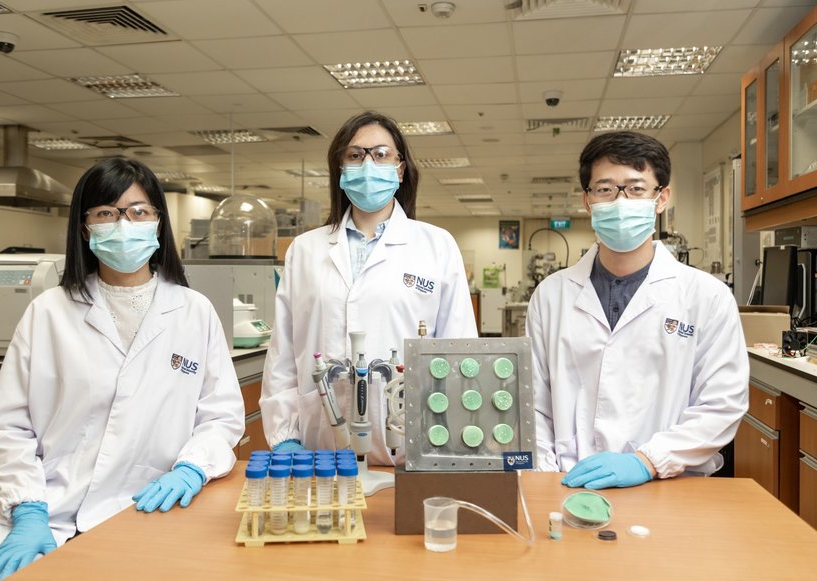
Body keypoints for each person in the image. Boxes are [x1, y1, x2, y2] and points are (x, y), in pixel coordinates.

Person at [0, 158, 245, 581]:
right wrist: (29, 508)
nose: (124, 224)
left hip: (148, 503)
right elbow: (8, 427)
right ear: (84, 227)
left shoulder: (193, 311)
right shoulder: (49, 312)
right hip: (46, 503)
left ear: (158, 224)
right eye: (107, 213)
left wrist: (192, 467)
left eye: (139, 211)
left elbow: (221, 417)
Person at [527, 131, 748, 490]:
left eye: (635, 188)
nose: (620, 201)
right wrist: (546, 478)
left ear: (661, 198)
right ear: (587, 201)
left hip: (669, 483)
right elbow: (532, 402)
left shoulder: (706, 296)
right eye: (605, 189)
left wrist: (648, 461)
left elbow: (722, 404)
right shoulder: (551, 295)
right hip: (567, 482)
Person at [260, 111, 478, 465]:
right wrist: (285, 436)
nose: (368, 165)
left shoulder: (437, 246)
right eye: (355, 155)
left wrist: (447, 440)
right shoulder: (305, 250)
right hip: (320, 453)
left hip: (411, 448)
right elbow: (284, 354)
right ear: (341, 169)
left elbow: (460, 352)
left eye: (381, 154)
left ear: (400, 169)